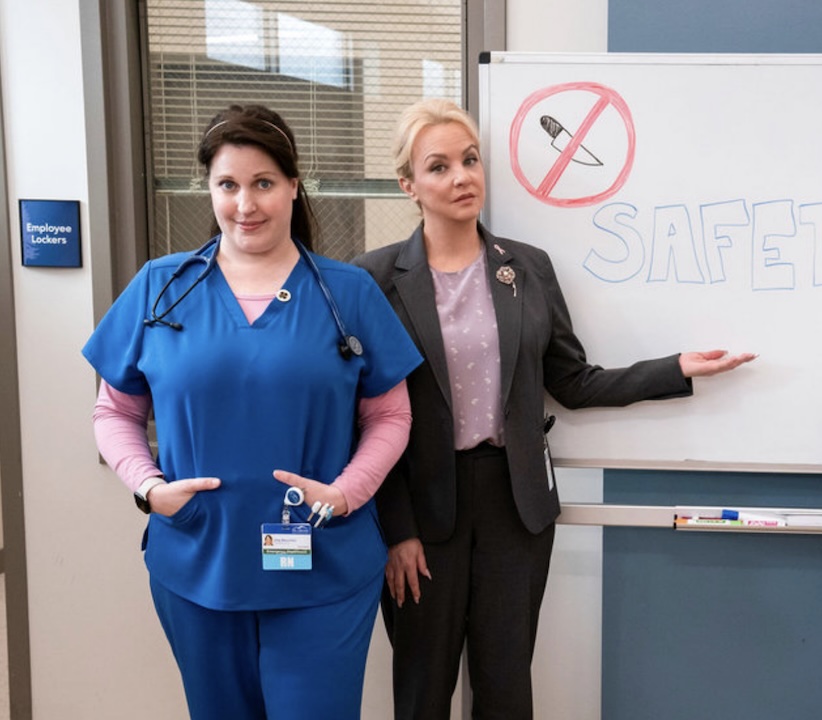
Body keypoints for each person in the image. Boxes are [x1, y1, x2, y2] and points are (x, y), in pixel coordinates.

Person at [353, 98, 755, 719]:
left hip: (515, 506)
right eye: (439, 167)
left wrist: (673, 369)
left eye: (470, 160)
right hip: (420, 508)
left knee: (507, 687)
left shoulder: (527, 268)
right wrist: (396, 530)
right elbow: (367, 416)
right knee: (421, 690)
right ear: (409, 185)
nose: (461, 177)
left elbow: (573, 381)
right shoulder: (375, 279)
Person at [83, 104, 423, 720]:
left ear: (294, 185)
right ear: (209, 189)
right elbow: (114, 411)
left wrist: (347, 493)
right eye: (228, 185)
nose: (246, 204)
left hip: (323, 563)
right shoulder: (161, 288)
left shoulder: (347, 294)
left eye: (263, 183)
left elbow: (391, 417)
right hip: (199, 561)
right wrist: (147, 488)